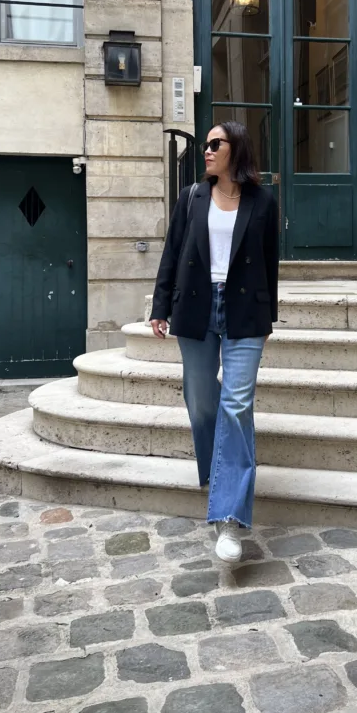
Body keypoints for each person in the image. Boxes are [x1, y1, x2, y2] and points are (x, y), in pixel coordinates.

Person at [149, 121, 279, 563]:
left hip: (245, 313)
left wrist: (268, 316)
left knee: (237, 406)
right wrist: (159, 305)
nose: (206, 151)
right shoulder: (192, 197)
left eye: (214, 144)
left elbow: (269, 262)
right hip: (198, 306)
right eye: (204, 144)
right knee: (202, 401)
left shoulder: (262, 201)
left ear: (235, 149)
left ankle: (230, 518)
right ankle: (218, 472)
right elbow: (172, 251)